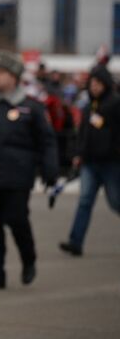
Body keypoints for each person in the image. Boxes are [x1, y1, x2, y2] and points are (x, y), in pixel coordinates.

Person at [0, 50, 59, 289]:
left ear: (14, 76)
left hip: (18, 176)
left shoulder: (31, 107)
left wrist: (50, 169)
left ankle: (29, 259)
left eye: (1, 72)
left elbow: (47, 141)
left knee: (18, 220)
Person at [60, 66, 120, 256]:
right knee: (84, 202)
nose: (94, 87)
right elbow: (83, 134)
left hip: (111, 163)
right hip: (90, 163)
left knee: (115, 202)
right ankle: (75, 242)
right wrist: (78, 154)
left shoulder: (115, 104)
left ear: (106, 84)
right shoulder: (88, 106)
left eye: (98, 83)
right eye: (92, 83)